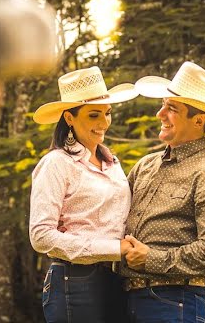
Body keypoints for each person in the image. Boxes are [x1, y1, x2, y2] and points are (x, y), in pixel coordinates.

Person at [120, 61, 205, 323]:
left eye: (172, 108)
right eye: (163, 104)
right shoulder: (145, 165)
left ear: (199, 120)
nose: (160, 114)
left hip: (174, 302)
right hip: (124, 299)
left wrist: (152, 259)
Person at [29, 66, 139, 323]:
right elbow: (41, 236)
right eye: (93, 115)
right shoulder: (56, 163)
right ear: (69, 118)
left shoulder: (113, 164)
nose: (104, 123)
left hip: (116, 278)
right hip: (75, 279)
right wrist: (113, 248)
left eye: (107, 113)